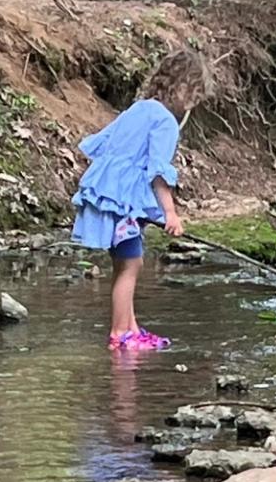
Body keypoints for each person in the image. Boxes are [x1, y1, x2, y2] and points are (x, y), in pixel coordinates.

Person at [71, 49, 210, 351]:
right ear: (183, 86)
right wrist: (170, 213)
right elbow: (158, 172)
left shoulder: (139, 108)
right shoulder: (165, 121)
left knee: (125, 265)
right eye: (194, 94)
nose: (193, 103)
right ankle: (120, 334)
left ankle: (131, 327)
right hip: (123, 203)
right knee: (132, 265)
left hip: (107, 196)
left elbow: (104, 145)